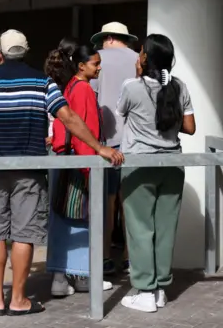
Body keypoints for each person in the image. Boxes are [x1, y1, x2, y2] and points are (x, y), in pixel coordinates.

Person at [0, 29, 124, 316]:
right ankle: (18, 299)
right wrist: (98, 147)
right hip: (30, 170)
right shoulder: (42, 83)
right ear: (25, 52)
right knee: (23, 235)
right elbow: (68, 117)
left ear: (0, 54)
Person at [118, 34, 195, 312]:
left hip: (139, 165)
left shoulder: (131, 87)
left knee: (140, 229)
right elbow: (190, 128)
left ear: (145, 58)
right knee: (165, 229)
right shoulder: (179, 86)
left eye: (141, 52)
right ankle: (161, 288)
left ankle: (145, 291)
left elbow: (122, 114)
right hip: (172, 165)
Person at [44, 44, 114, 296]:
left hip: (69, 159)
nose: (99, 68)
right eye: (95, 63)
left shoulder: (72, 85)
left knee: (67, 221)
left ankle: (67, 278)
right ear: (81, 66)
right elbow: (83, 132)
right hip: (80, 162)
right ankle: (75, 277)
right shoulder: (82, 88)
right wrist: (88, 171)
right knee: (79, 222)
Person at [90, 21, 139, 275]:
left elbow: (92, 97)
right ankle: (131, 257)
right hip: (135, 140)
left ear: (108, 38)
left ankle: (106, 255)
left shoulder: (97, 60)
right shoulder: (138, 59)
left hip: (106, 141)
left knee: (106, 200)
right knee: (129, 199)